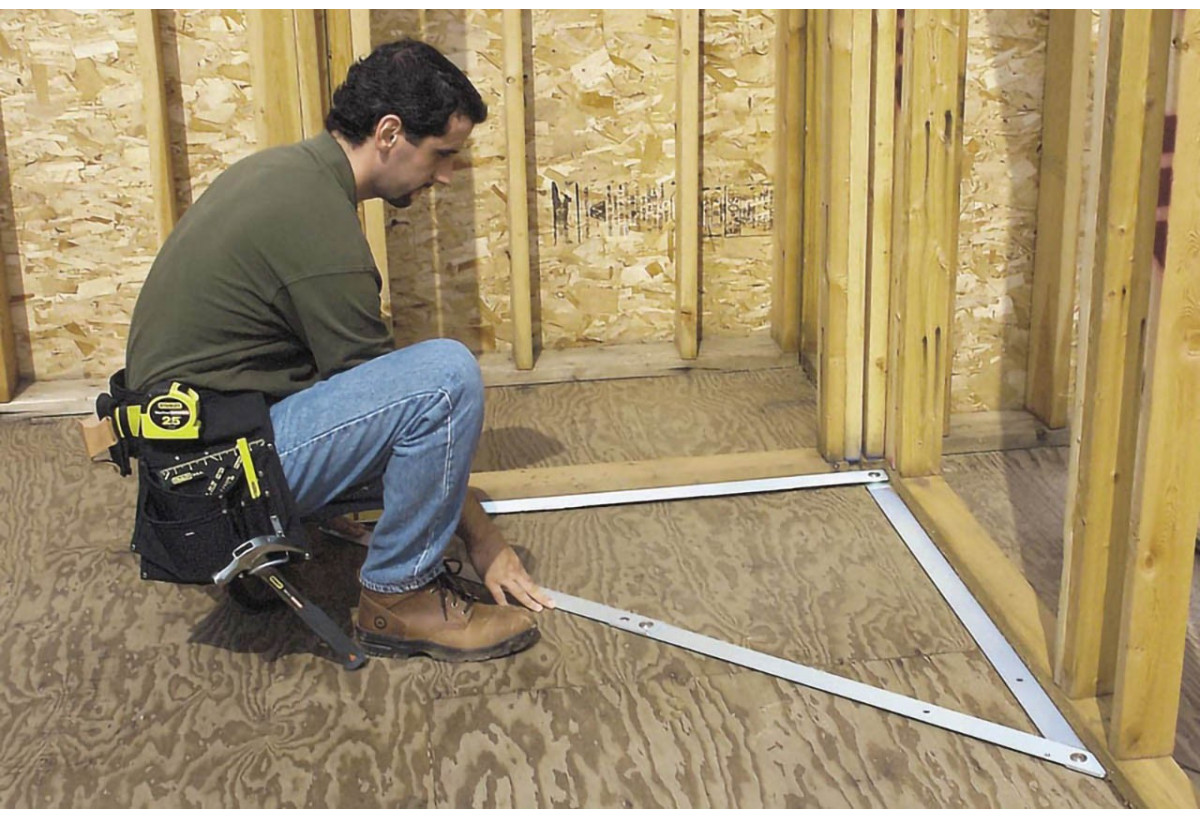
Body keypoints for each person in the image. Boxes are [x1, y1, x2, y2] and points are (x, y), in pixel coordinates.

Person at [125, 39, 553, 662]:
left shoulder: (285, 175)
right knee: (444, 379)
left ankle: (316, 523)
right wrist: (485, 540)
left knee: (411, 390)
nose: (444, 176)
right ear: (389, 133)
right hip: (214, 486)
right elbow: (394, 397)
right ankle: (400, 597)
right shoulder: (319, 225)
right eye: (442, 154)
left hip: (187, 464)